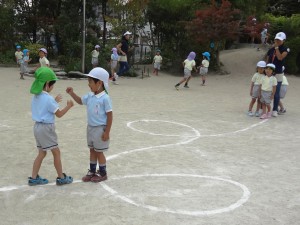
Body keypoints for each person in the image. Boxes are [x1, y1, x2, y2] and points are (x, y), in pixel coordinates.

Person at [28, 67, 74, 186]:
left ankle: (33, 177)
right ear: (47, 84)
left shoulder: (36, 96)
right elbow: (59, 114)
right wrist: (68, 106)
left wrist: (54, 101)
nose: (53, 87)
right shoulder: (48, 99)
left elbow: (44, 107)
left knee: (42, 153)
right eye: (52, 84)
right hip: (46, 128)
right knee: (56, 152)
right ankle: (61, 177)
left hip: (37, 127)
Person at [66, 67, 112, 183]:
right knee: (92, 150)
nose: (88, 85)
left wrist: (107, 132)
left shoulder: (105, 98)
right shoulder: (90, 95)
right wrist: (72, 93)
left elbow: (110, 116)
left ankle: (102, 172)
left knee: (99, 151)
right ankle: (92, 171)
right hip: (90, 128)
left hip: (100, 129)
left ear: (99, 83)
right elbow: (80, 101)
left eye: (90, 82)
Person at [266, 32, 290, 117]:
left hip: (278, 73)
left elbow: (280, 57)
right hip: (269, 73)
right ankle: (265, 108)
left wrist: (276, 48)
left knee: (276, 93)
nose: (277, 41)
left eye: (279, 40)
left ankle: (275, 109)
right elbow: (268, 60)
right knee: (267, 90)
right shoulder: (271, 49)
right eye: (276, 39)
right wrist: (266, 70)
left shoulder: (285, 49)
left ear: (283, 40)